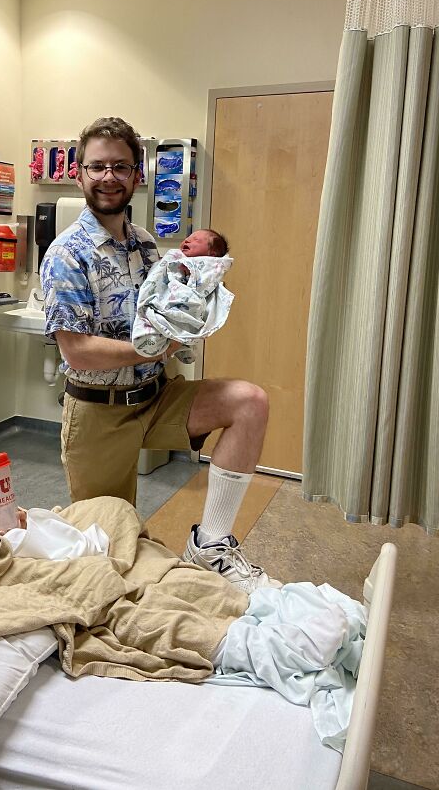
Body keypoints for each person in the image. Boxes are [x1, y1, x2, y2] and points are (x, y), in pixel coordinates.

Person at [41, 116, 276, 593]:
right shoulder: (67, 254)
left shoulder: (148, 245)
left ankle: (210, 545)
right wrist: (153, 346)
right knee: (110, 561)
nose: (108, 177)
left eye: (120, 167)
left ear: (137, 175)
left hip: (155, 395)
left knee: (249, 402)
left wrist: (198, 312)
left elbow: (170, 307)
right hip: (98, 415)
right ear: (78, 173)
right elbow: (79, 352)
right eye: (97, 166)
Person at [131, 227, 234, 364]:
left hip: (184, 297)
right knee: (158, 306)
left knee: (183, 315)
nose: (187, 240)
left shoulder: (210, 267)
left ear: (212, 253)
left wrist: (191, 273)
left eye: (195, 240)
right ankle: (173, 341)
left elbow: (202, 285)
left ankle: (179, 342)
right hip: (167, 291)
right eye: (188, 238)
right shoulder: (178, 256)